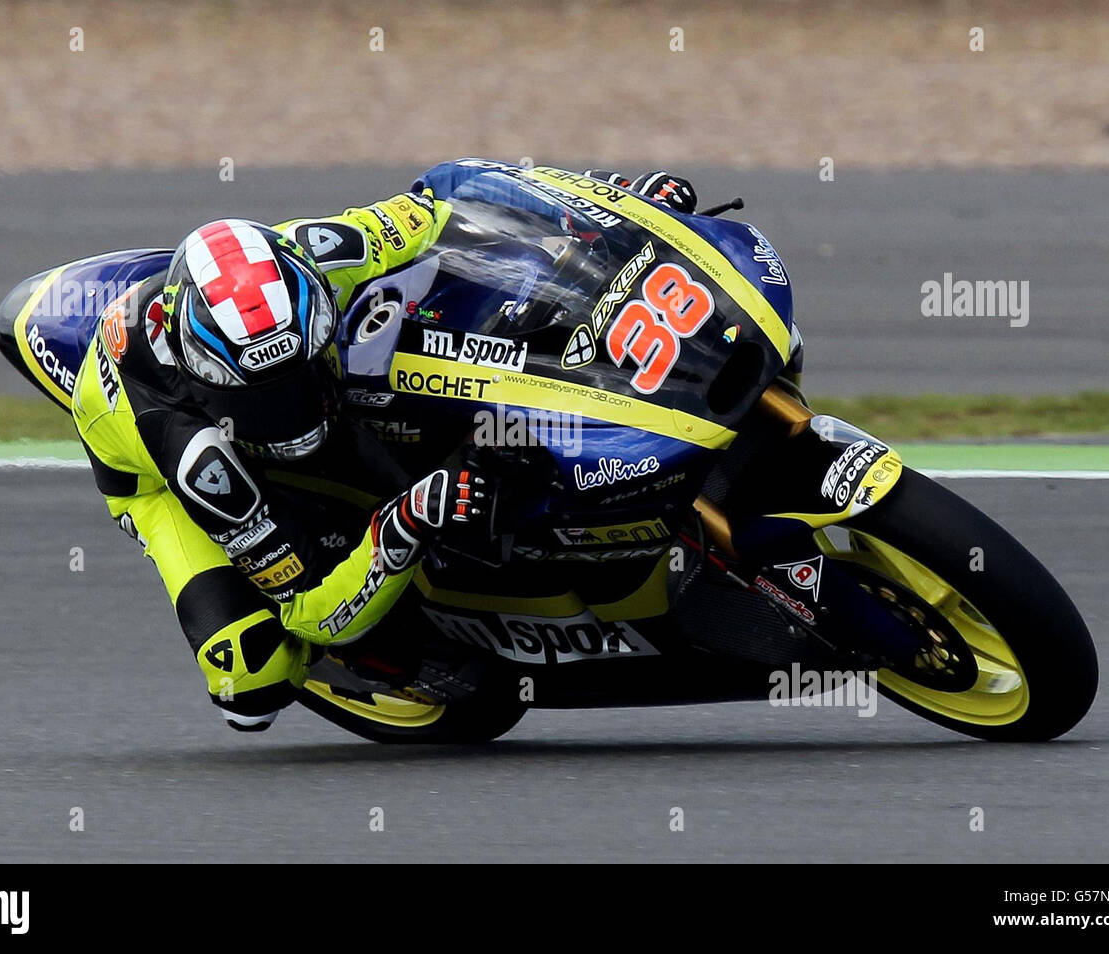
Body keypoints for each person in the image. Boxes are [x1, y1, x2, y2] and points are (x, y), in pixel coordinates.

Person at [70, 162, 696, 731]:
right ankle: (385, 663)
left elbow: (452, 192)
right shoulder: (195, 455)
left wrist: (612, 205)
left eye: (303, 372)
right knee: (251, 678)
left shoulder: (320, 254)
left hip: (277, 350)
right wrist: (407, 520)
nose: (292, 412)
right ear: (213, 381)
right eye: (264, 397)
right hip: (153, 482)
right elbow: (310, 605)